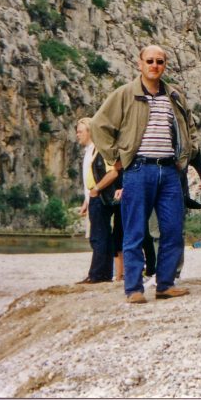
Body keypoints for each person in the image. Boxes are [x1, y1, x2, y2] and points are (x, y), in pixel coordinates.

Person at [91, 44, 196, 304]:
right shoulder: (125, 94)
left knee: (172, 229)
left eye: (160, 61)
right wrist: (117, 159)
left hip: (170, 170)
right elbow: (98, 126)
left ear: (165, 64)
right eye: (149, 61)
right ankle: (134, 288)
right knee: (135, 230)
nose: (154, 65)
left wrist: (184, 157)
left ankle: (166, 284)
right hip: (138, 169)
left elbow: (189, 127)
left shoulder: (174, 95)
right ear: (140, 63)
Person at [75, 117, 120, 285]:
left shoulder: (100, 150)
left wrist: (96, 190)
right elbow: (91, 178)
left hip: (100, 199)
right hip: (94, 198)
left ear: (89, 132)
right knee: (101, 236)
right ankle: (102, 273)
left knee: (98, 237)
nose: (77, 135)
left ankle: (98, 275)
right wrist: (86, 201)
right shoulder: (90, 151)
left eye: (80, 131)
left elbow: (113, 173)